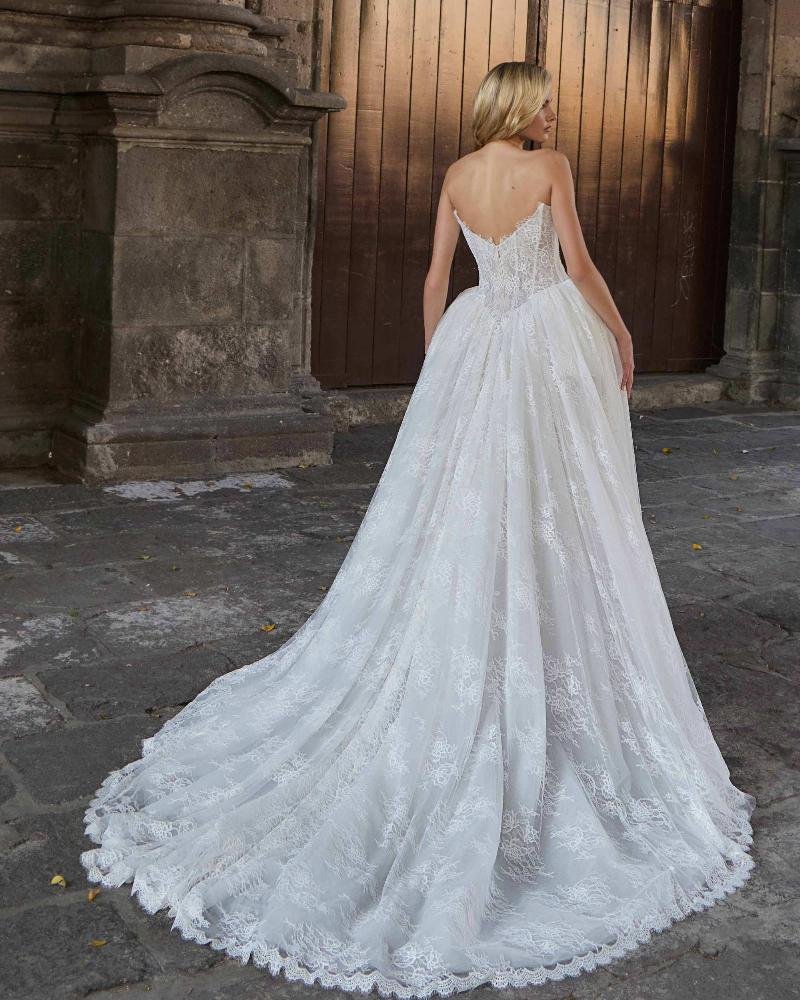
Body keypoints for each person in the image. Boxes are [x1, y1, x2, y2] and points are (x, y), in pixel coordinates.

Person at [81, 61, 756, 998]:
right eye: (546, 99)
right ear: (520, 109)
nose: (556, 111)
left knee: (476, 499)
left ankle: (509, 617)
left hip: (480, 338)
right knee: (562, 498)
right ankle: (549, 627)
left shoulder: (453, 176)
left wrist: (443, 365)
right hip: (546, 337)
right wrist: (624, 334)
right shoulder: (549, 166)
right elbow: (579, 265)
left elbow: (436, 277)